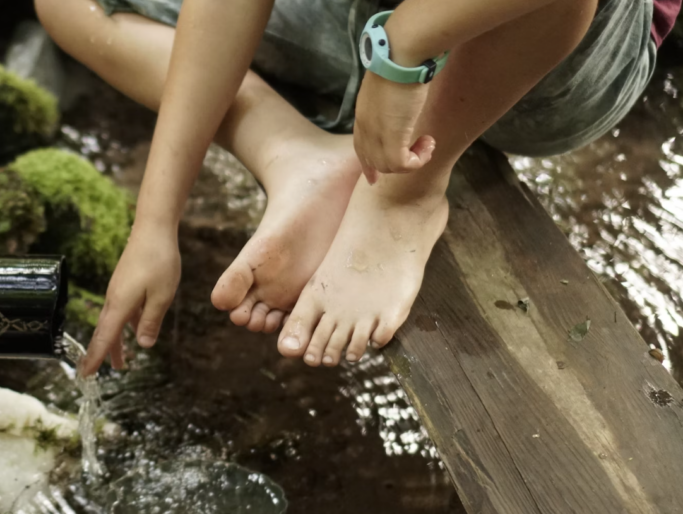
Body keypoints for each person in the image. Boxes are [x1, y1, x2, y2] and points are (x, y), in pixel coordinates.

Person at [35, 0, 679, 375]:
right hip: (360, 21)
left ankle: (404, 195)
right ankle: (292, 151)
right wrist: (155, 222)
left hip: (552, 52)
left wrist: (403, 51)